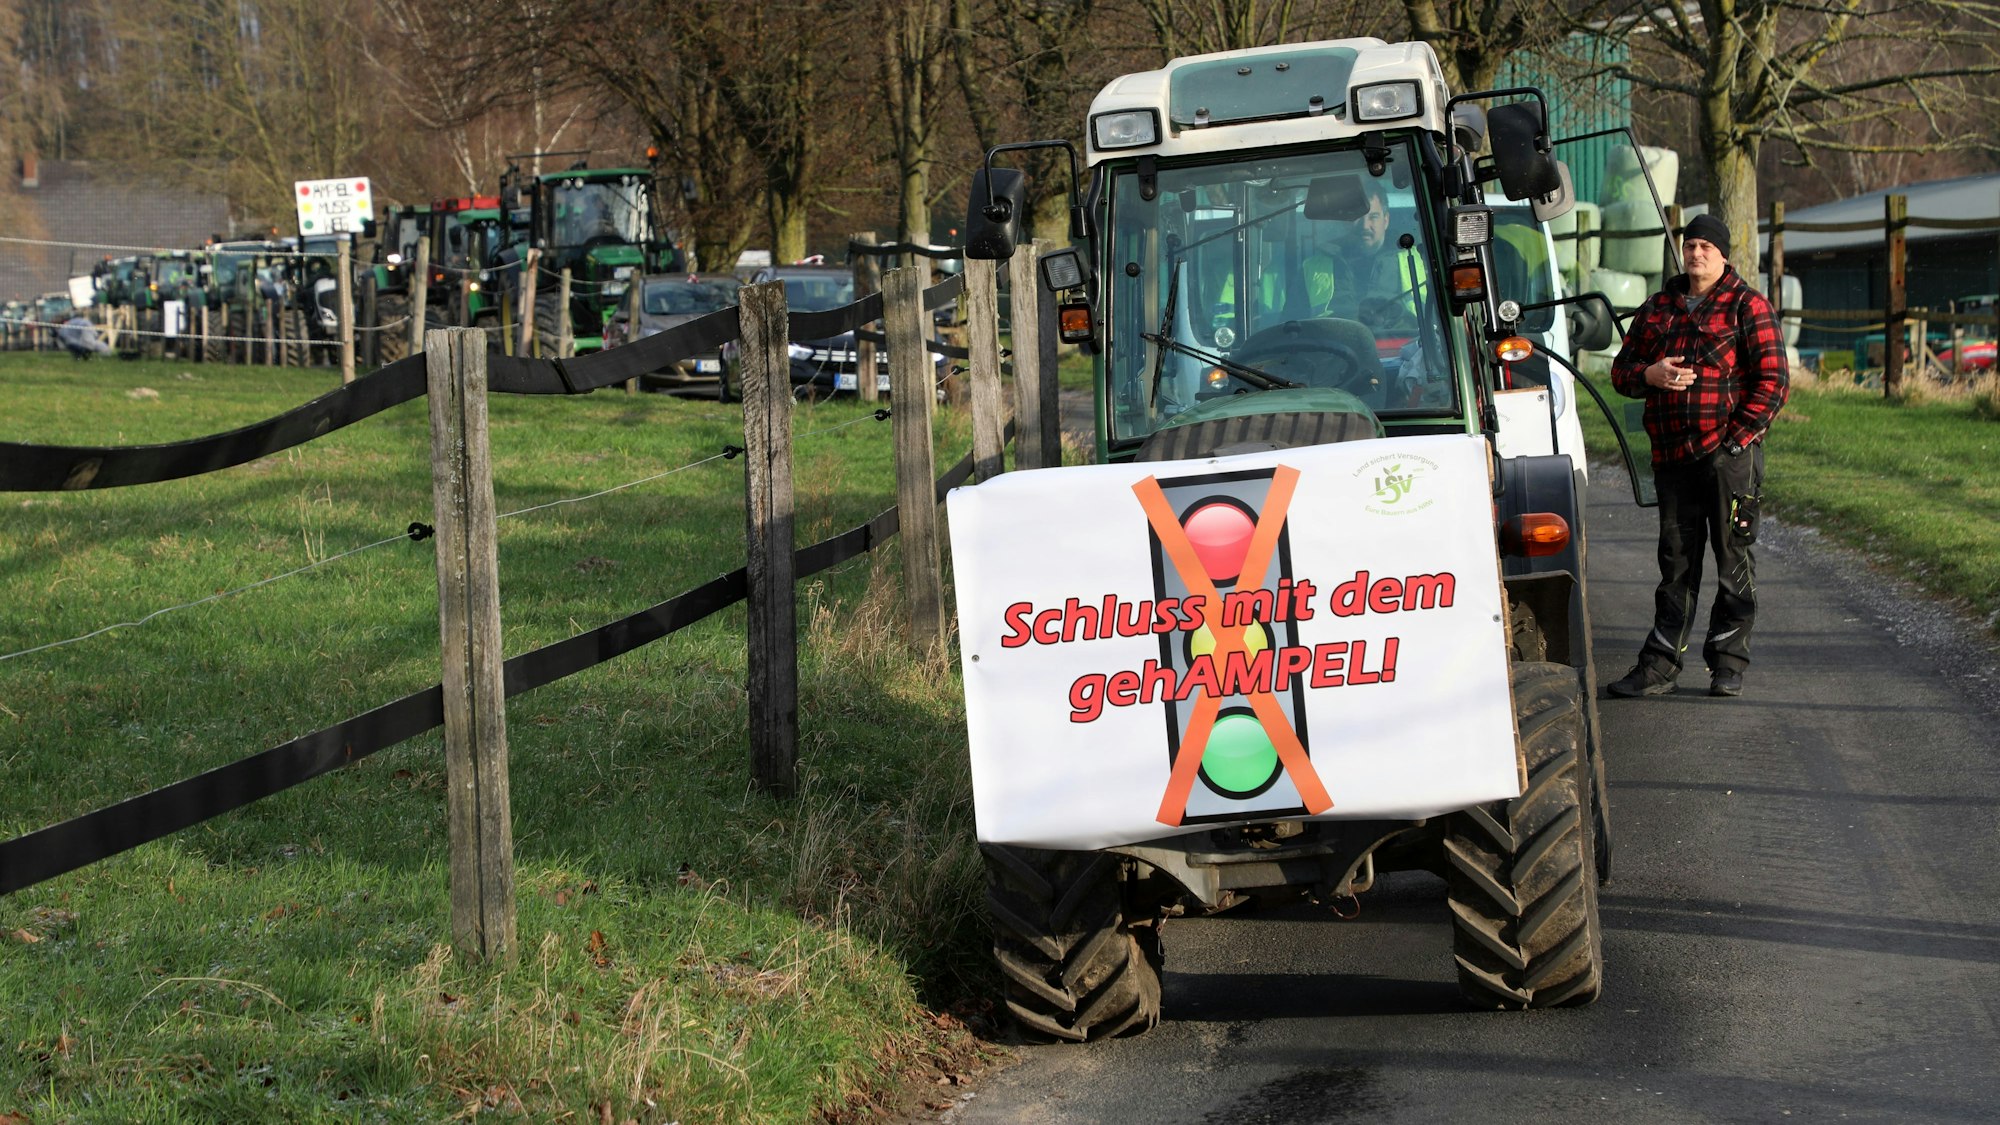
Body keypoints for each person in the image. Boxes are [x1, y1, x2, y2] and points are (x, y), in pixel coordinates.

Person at [1606, 213, 1788, 698]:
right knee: (1677, 565)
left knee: (1733, 560)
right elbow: (1621, 372)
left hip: (1729, 458)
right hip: (1672, 458)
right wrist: (1651, 375)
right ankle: (1659, 665)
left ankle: (1728, 663)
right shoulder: (1657, 308)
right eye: (1690, 245)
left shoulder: (1747, 306)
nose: (1697, 253)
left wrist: (1736, 440)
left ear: (1724, 254)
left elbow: (1773, 382)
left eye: (1707, 246)